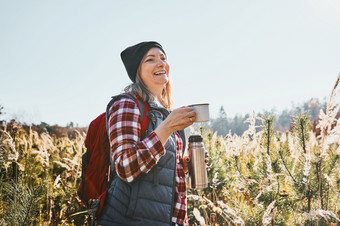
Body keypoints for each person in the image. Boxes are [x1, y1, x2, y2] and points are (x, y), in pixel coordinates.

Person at [97, 41, 196, 226]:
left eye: (163, 58)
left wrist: (185, 165)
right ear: (138, 72)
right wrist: (166, 128)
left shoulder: (165, 113)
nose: (161, 63)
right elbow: (126, 167)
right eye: (150, 59)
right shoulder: (127, 104)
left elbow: (162, 174)